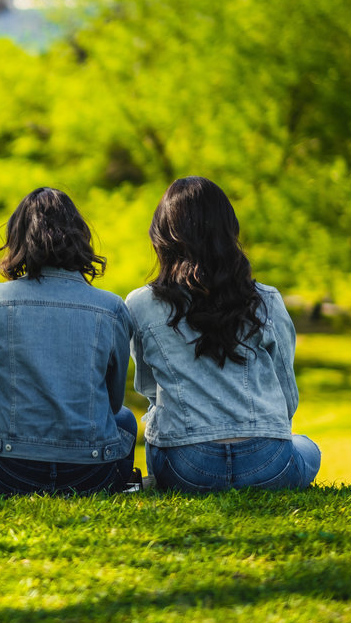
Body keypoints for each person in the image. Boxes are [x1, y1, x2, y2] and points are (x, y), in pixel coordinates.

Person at [126, 176, 321, 492]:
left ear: (162, 237)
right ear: (228, 232)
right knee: (308, 447)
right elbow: (287, 392)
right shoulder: (266, 299)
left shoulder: (140, 303)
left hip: (186, 468)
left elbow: (148, 388)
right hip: (267, 462)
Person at [0, 187, 138, 496]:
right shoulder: (111, 307)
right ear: (80, 237)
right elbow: (112, 403)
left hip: (10, 472)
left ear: (17, 238)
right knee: (124, 418)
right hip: (92, 473)